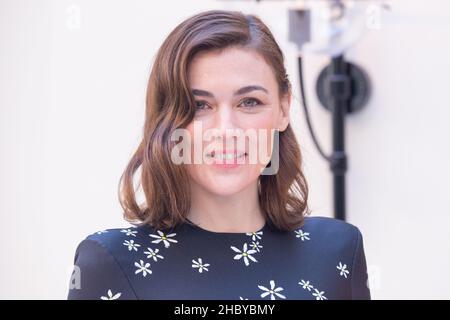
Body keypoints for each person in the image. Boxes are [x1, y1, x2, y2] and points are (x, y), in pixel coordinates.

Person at [67, 9, 370, 300]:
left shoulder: (338, 251)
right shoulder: (111, 263)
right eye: (200, 105)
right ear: (167, 120)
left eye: (249, 102)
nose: (226, 130)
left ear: (283, 109)